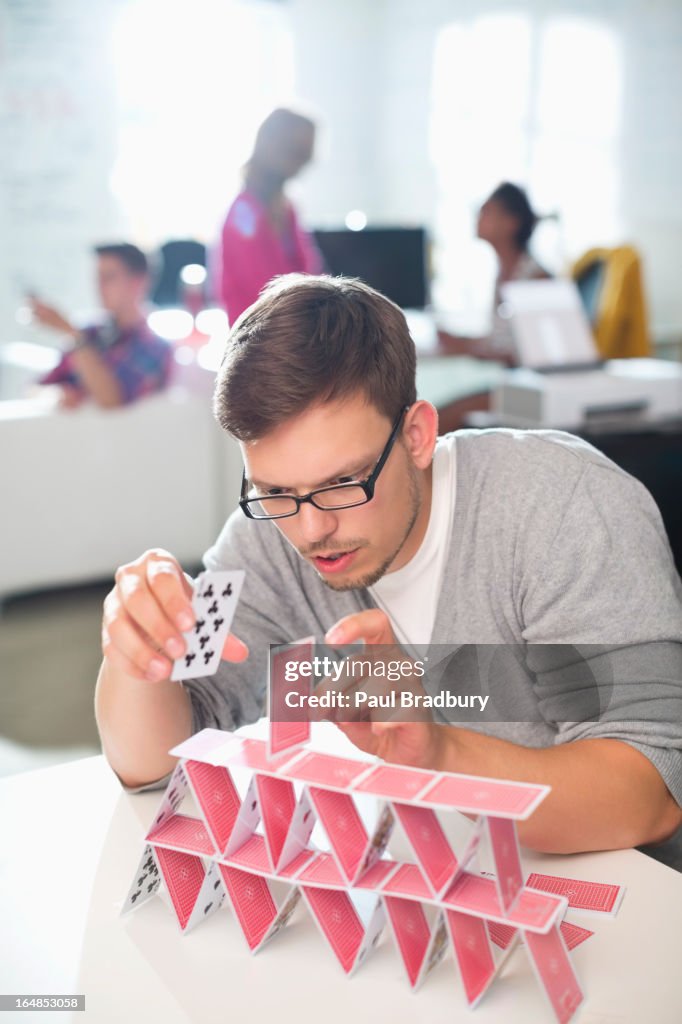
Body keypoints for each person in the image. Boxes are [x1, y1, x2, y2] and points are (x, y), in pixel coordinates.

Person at [95, 274, 682, 864]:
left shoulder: (564, 506)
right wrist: (137, 656)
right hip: (439, 880)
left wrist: (439, 756)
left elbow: (649, 796)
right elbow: (157, 763)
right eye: (275, 490)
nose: (311, 530)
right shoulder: (266, 536)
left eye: (342, 484)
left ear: (418, 436)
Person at [215, 108, 323, 324]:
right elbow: (263, 292)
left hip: (292, 333)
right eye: (298, 153)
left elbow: (311, 274)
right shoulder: (243, 214)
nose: (303, 165)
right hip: (261, 341)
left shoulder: (287, 209)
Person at [33, 243, 172, 410]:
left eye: (108, 277)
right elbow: (36, 387)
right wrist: (58, 394)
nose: (99, 287)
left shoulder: (154, 345)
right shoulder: (91, 332)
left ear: (138, 282)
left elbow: (113, 400)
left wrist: (73, 335)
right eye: (97, 278)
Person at [438, 182, 550, 364]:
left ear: (511, 223)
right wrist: (462, 342)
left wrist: (467, 349)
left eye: (487, 212)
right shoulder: (503, 274)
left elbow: (534, 355)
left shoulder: (537, 281)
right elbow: (502, 340)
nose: (479, 218)